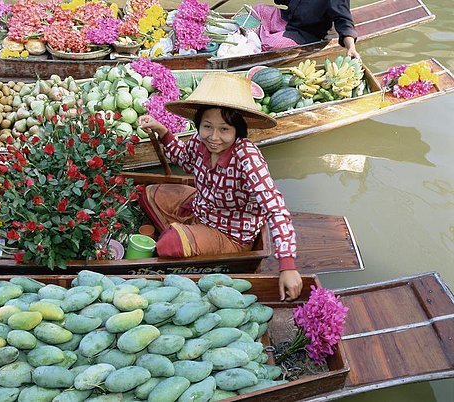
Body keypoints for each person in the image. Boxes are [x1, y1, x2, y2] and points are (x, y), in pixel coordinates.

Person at [138, 72, 303, 301]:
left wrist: (287, 265)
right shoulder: (199, 141)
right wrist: (163, 131)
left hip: (230, 234)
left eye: (224, 129)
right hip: (200, 207)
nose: (214, 137)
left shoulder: (247, 157)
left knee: (169, 244)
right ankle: (186, 231)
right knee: (149, 192)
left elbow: (275, 209)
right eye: (207, 127)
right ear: (199, 125)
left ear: (237, 131)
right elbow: (184, 160)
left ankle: (183, 236)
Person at [252, 0, 360, 59]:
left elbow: (344, 21)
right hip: (289, 20)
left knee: (270, 44)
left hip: (305, 32)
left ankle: (259, 38)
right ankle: (260, 37)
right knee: (258, 9)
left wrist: (351, 47)